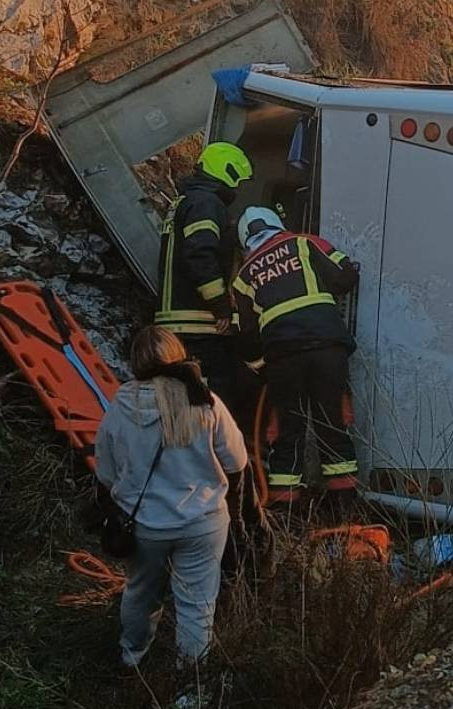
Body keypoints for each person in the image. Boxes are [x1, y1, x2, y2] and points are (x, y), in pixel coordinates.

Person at [95, 327, 247, 668]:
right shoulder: (204, 398)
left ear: (136, 361)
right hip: (203, 523)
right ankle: (190, 685)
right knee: (197, 605)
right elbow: (237, 460)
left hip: (145, 526)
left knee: (140, 595)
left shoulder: (122, 404)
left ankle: (131, 660)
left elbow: (105, 470)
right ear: (178, 354)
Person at [230, 207, 361, 509]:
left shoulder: (244, 276)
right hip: (328, 348)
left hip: (283, 359)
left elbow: (246, 339)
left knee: (288, 432)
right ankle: (343, 507)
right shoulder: (305, 243)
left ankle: (285, 510)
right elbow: (346, 276)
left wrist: (263, 367)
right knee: (332, 423)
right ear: (278, 224)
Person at [156, 142, 253, 410]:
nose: (236, 190)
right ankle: (213, 451)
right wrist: (220, 305)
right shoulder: (205, 203)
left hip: (178, 322)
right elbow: (200, 254)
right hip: (197, 324)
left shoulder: (188, 201)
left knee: (187, 402)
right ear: (228, 173)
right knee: (215, 400)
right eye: (238, 182)